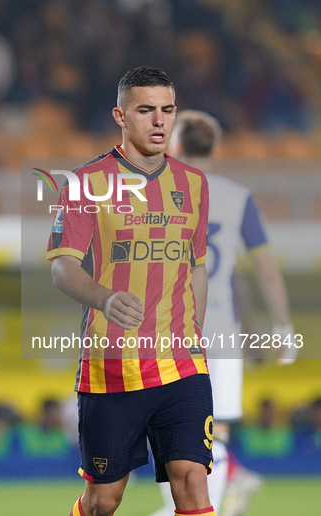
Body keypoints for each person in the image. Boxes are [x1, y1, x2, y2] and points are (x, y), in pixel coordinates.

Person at [47, 66, 216, 516]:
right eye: (146, 110)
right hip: (112, 367)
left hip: (182, 362)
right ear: (120, 116)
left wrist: (195, 330)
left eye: (167, 110)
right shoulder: (86, 183)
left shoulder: (193, 184)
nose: (159, 121)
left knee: (193, 483)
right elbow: (63, 268)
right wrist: (104, 297)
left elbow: (195, 267)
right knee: (105, 498)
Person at [147, 109, 296, 516]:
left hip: (168, 327)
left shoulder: (155, 191)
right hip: (222, 331)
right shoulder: (237, 197)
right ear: (215, 148)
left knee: (168, 425)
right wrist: (281, 327)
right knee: (219, 431)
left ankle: (183, 507)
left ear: (175, 145)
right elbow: (262, 269)